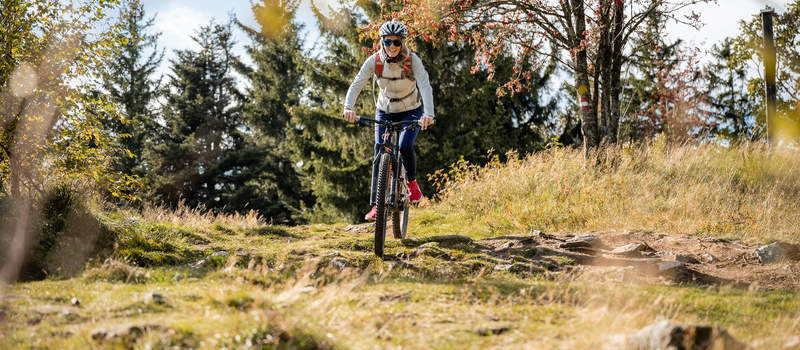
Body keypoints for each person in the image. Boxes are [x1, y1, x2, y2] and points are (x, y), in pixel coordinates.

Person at [342, 20, 435, 221]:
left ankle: (411, 183)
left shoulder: (412, 60)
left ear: (402, 42)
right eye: (387, 42)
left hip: (411, 110)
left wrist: (428, 113)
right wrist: (348, 107)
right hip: (385, 110)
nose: (391, 46)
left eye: (395, 42)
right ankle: (377, 205)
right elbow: (357, 83)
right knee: (380, 148)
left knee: (405, 145)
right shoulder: (374, 61)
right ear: (381, 42)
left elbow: (425, 86)